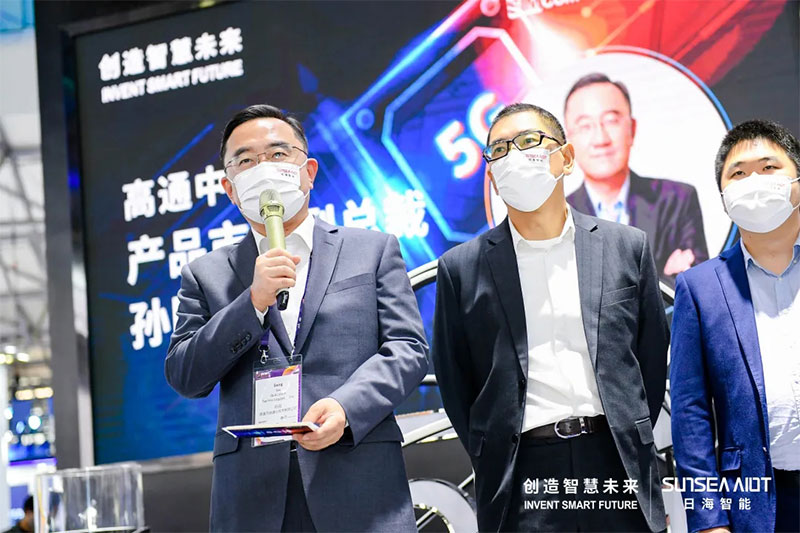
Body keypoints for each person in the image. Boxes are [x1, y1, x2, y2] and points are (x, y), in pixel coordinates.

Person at [165, 104, 428, 532]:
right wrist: (251, 302)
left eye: (277, 154)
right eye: (245, 161)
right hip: (252, 499)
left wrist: (346, 407)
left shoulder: (372, 250)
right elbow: (185, 376)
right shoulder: (205, 274)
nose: (263, 169)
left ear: (308, 171)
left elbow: (408, 350)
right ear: (229, 188)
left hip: (358, 483)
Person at [432, 102, 669, 532]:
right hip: (522, 474)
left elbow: (650, 359)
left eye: (528, 141)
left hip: (616, 461)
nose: (514, 156)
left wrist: (627, 427)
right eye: (499, 150)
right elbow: (456, 382)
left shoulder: (625, 246)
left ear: (566, 157)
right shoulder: (461, 268)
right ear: (492, 176)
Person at [671, 120, 800, 533]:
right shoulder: (700, 287)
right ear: (725, 199)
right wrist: (708, 520)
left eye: (769, 167)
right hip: (757, 502)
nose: (754, 182)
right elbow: (690, 413)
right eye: (739, 173)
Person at [564, 72, 709, 284]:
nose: (600, 138)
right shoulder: (559, 218)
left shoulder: (677, 200)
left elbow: (694, 285)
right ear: (568, 142)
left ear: (632, 129)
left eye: (611, 121)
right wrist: (660, 277)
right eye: (585, 126)